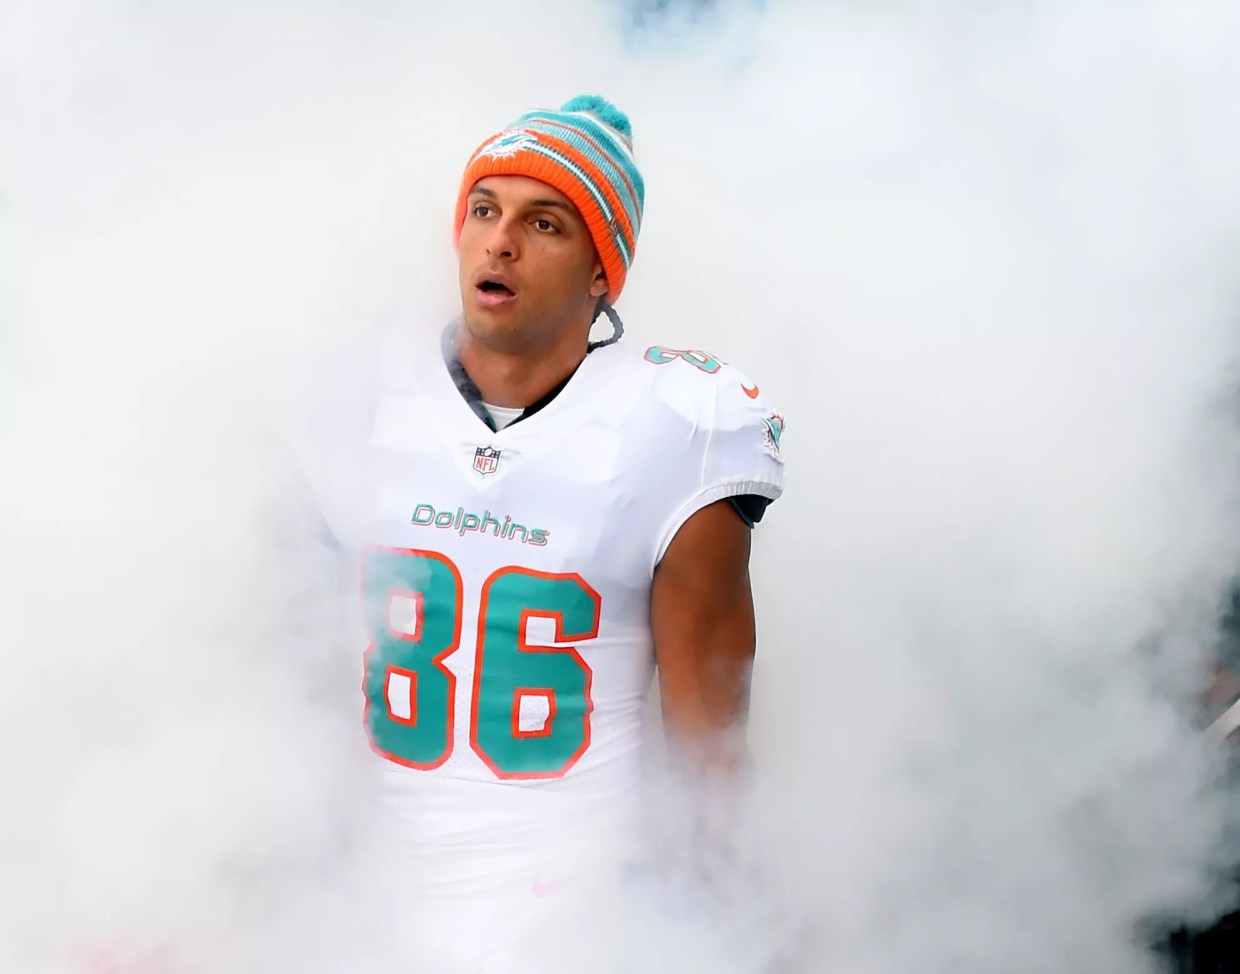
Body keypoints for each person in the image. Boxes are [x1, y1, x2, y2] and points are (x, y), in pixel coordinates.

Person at [295, 95, 786, 972]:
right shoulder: (364, 392)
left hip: (575, 909)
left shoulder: (677, 425)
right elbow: (281, 671)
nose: (500, 240)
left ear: (602, 272)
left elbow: (709, 749)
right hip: (365, 895)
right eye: (484, 210)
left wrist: (712, 930)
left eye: (545, 222)